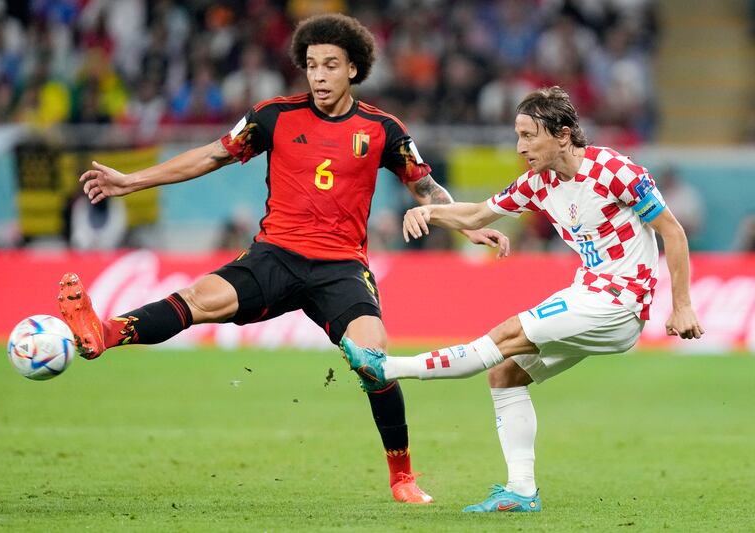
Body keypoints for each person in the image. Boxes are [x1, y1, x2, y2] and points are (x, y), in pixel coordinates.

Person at [58, 14, 509, 505]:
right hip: (276, 255)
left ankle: (402, 477)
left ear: (353, 70)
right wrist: (131, 180)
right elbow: (211, 155)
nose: (318, 76)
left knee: (375, 364)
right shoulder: (272, 115)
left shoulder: (382, 129)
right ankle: (102, 334)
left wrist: (466, 222)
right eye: (311, 65)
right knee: (197, 299)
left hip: (341, 268)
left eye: (330, 66)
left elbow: (425, 188)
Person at [340, 86, 704, 512]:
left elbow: (673, 231)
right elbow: (478, 214)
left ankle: (386, 368)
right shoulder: (538, 183)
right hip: (588, 296)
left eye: (530, 135)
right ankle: (521, 491)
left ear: (563, 134)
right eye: (518, 135)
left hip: (618, 300)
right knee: (507, 375)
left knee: (504, 337)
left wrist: (681, 305)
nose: (520, 146)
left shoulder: (614, 170)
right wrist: (429, 211)